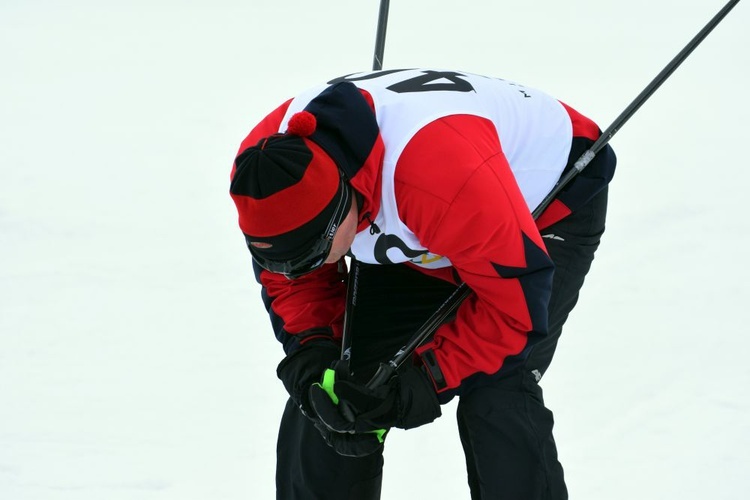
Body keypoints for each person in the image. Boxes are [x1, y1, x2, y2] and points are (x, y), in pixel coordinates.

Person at [229, 68, 616, 500]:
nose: (302, 270)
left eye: (314, 257)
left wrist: (425, 381)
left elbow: (513, 311)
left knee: (496, 385)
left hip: (545, 202)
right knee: (339, 389)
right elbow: (294, 280)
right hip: (432, 216)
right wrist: (311, 351)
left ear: (342, 207)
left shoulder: (440, 182)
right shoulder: (265, 167)